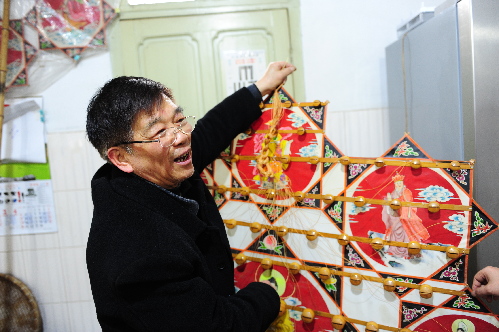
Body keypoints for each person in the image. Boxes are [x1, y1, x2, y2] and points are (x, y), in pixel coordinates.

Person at [85, 61, 296, 331]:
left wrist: (259, 88)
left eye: (179, 120)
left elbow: (210, 131)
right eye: (160, 132)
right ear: (121, 157)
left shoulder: (154, 170)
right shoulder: (141, 254)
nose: (182, 137)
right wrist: (266, 295)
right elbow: (218, 326)